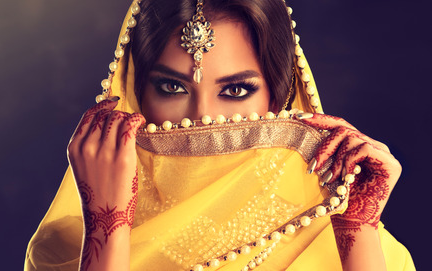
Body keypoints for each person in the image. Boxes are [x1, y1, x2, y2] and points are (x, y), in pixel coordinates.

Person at [25, 0, 415, 270]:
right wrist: (108, 226)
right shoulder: (66, 250)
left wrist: (357, 231)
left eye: (236, 91)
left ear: (279, 97)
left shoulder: (349, 240)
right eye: (172, 88)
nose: (203, 118)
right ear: (134, 94)